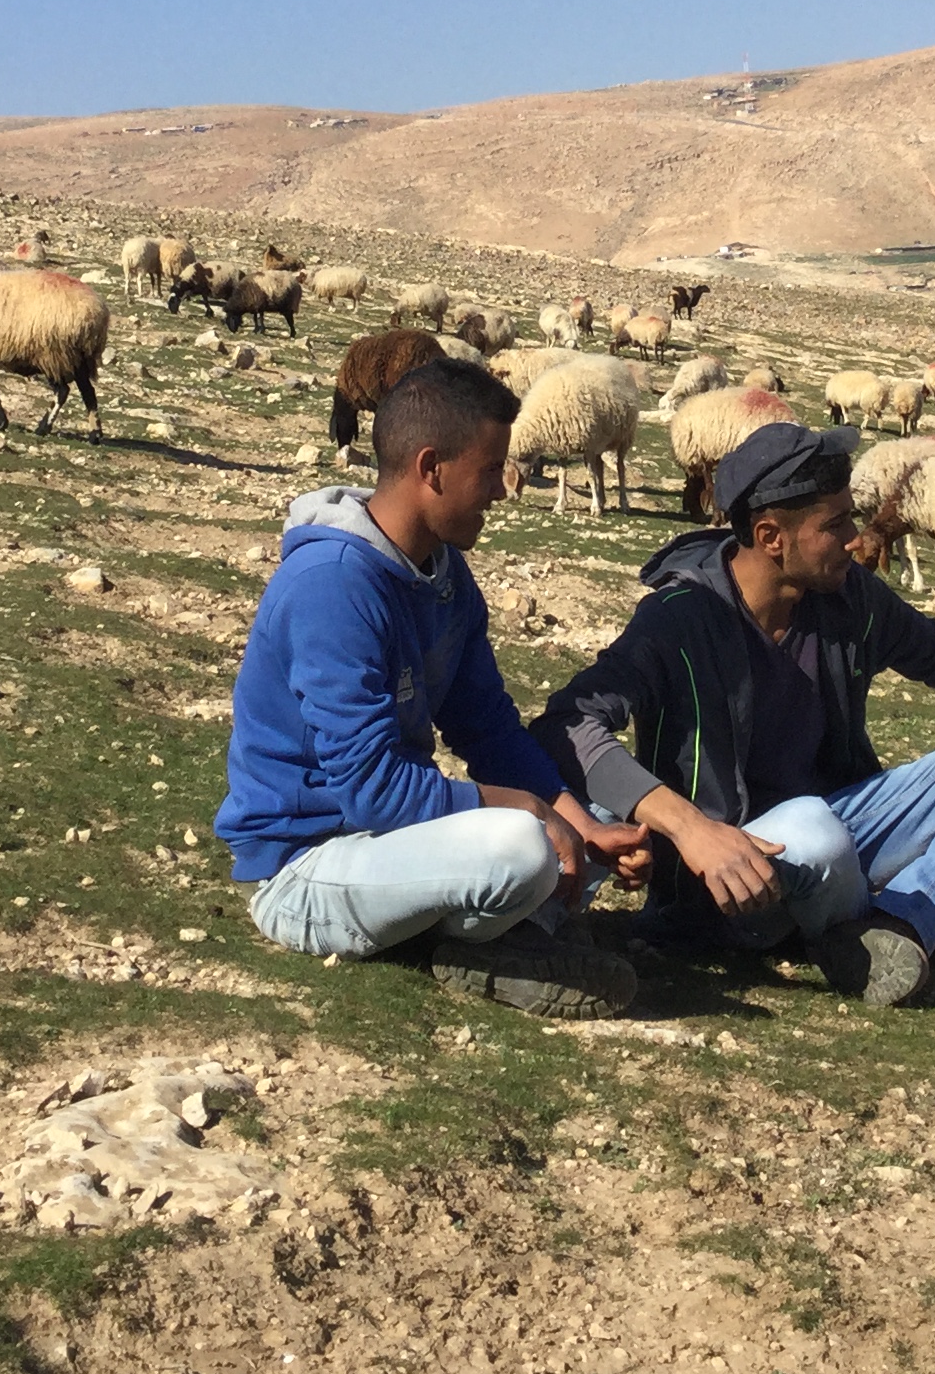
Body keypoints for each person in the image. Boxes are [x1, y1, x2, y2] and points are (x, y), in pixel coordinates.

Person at [535, 421, 935, 1006]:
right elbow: (568, 722)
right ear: (772, 537)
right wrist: (689, 828)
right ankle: (871, 921)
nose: (855, 538)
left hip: (838, 828)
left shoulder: (849, 597)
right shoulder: (679, 620)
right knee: (812, 831)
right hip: (723, 877)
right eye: (836, 524)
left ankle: (904, 922)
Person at [215, 358, 648, 1017]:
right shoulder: (332, 586)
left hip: (388, 845)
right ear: (430, 468)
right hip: (305, 868)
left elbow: (488, 727)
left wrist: (583, 826)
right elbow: (371, 788)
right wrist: (535, 813)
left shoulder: (444, 574)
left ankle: (505, 931)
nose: (503, 491)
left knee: (590, 821)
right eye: (489, 470)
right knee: (521, 845)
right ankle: (498, 940)